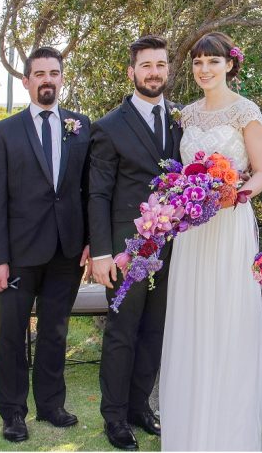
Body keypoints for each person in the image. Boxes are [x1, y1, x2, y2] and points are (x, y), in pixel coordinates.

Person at [159, 32, 262, 451]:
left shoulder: (246, 111)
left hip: (229, 223)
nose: (204, 69)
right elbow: (180, 170)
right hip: (192, 230)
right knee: (192, 314)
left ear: (230, 65)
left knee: (226, 313)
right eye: (198, 62)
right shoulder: (186, 115)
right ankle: (190, 426)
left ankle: (227, 431)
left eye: (212, 61)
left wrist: (236, 194)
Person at [0, 47, 91, 442]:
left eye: (53, 73)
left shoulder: (81, 126)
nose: (47, 80)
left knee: (55, 331)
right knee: (12, 335)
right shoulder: (3, 132)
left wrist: (90, 241)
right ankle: (13, 413)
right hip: (17, 255)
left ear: (61, 78)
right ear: (26, 81)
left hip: (66, 251)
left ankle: (51, 405)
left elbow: (87, 189)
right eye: (39, 74)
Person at [89, 34, 183, 451]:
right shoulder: (108, 126)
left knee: (155, 330)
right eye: (146, 65)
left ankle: (140, 406)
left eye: (160, 65)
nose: (154, 72)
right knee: (122, 332)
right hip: (126, 249)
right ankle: (114, 417)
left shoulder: (181, 121)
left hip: (173, 247)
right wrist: (102, 252)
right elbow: (97, 194)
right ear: (131, 72)